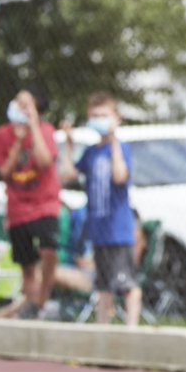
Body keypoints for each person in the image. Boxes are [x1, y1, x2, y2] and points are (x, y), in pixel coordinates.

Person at [59, 92, 141, 327]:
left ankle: (131, 332)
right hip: (99, 230)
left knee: (128, 286)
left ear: (116, 118)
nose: (98, 120)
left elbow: (119, 176)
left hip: (118, 231)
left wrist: (114, 138)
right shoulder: (92, 152)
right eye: (94, 116)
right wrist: (69, 143)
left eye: (103, 115)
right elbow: (68, 174)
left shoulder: (120, 148)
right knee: (104, 286)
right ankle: (102, 332)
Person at [0, 86, 61, 319]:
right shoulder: (2, 135)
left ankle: (41, 300)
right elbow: (3, 172)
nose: (17, 107)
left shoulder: (46, 130)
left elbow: (44, 163)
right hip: (18, 208)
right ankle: (31, 307)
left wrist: (33, 127)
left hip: (45, 204)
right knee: (27, 263)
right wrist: (18, 144)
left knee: (48, 250)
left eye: (25, 104)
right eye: (16, 102)